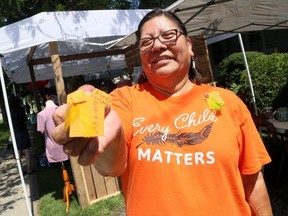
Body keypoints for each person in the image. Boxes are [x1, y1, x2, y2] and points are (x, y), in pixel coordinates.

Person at [52, 9, 273, 216]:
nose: (157, 46)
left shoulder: (228, 102)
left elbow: (253, 180)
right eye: (146, 42)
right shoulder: (126, 99)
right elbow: (113, 163)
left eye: (168, 35)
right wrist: (100, 141)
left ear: (189, 45)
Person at [37, 96, 68, 164]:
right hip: (65, 143)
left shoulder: (41, 114)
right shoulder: (62, 110)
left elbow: (41, 131)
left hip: (52, 145)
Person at [8, 95, 33, 175]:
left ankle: (21, 170)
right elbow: (25, 119)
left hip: (15, 131)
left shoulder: (10, 112)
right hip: (22, 130)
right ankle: (29, 169)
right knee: (26, 150)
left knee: (18, 151)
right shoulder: (20, 109)